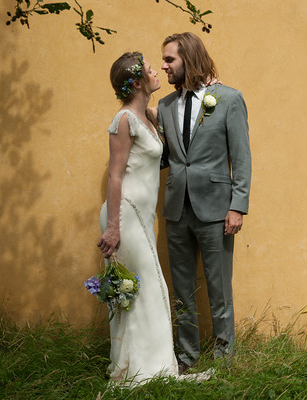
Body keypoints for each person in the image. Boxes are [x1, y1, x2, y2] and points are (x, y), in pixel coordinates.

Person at [97, 52, 210, 385]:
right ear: (137, 82)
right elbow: (115, 177)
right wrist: (114, 227)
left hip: (142, 217)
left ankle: (151, 369)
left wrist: (207, 87)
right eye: (149, 70)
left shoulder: (148, 115)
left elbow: (185, 110)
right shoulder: (123, 121)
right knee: (139, 292)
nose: (156, 72)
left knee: (146, 290)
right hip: (125, 215)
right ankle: (146, 374)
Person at [158, 32, 251, 372]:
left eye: (170, 59)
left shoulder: (228, 99)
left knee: (218, 286)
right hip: (176, 209)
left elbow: (241, 157)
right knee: (181, 287)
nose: (164, 65)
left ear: (189, 58)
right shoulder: (166, 106)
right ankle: (187, 356)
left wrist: (237, 205)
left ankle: (225, 357)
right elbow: (166, 156)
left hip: (216, 209)